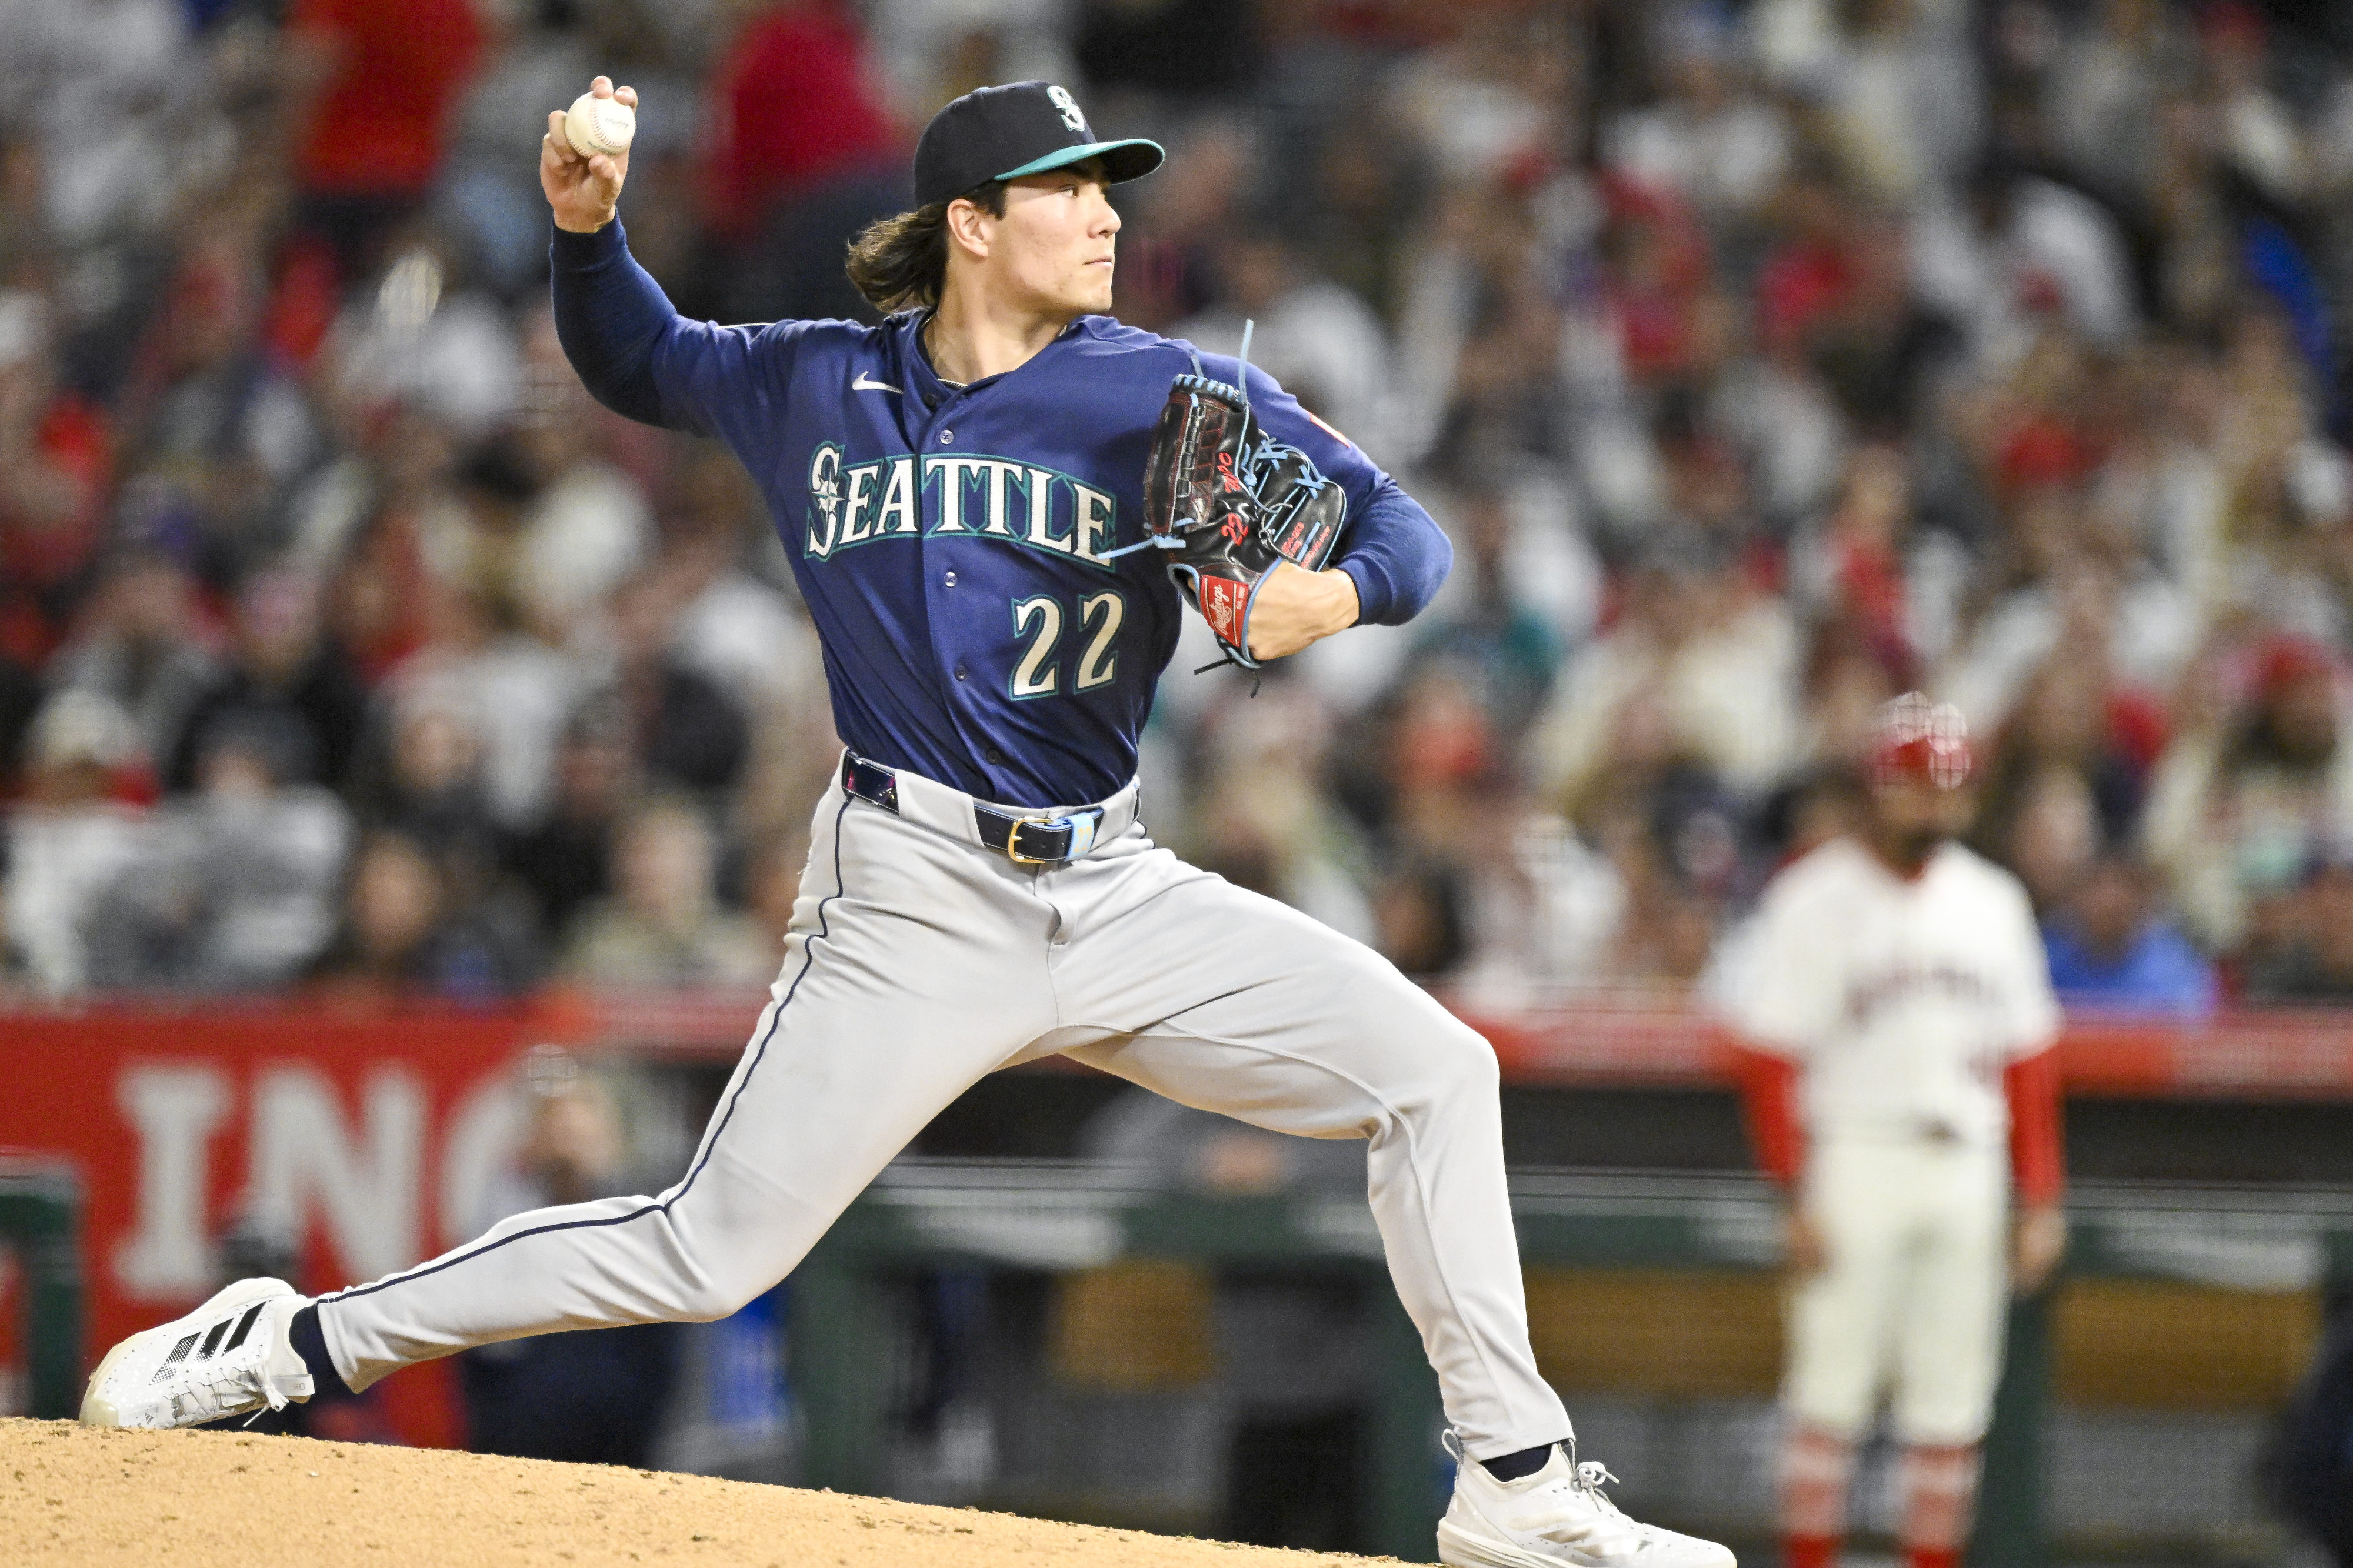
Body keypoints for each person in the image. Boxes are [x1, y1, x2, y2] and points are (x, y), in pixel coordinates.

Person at [78, 78, 1731, 1568]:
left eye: (1110, 187)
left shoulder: (1152, 396)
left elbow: (1410, 532)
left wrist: (1339, 596)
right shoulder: (817, 383)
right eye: (1071, 188)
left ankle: (1514, 1480)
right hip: (914, 893)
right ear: (971, 224)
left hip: (1119, 883)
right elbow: (636, 358)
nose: (1106, 213)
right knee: (704, 1250)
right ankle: (291, 1344)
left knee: (1441, 1069)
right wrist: (588, 231)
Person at [1717, 695, 2067, 1568]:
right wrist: (1791, 1189)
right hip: (1855, 1152)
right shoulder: (1811, 894)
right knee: (1827, 1396)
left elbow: (2030, 1058)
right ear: (1880, 787)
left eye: (1948, 789)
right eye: (1917, 787)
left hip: (1968, 1159)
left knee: (1950, 1406)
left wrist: (2042, 1196)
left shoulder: (1993, 899)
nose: (1934, 805)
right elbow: (1768, 1058)